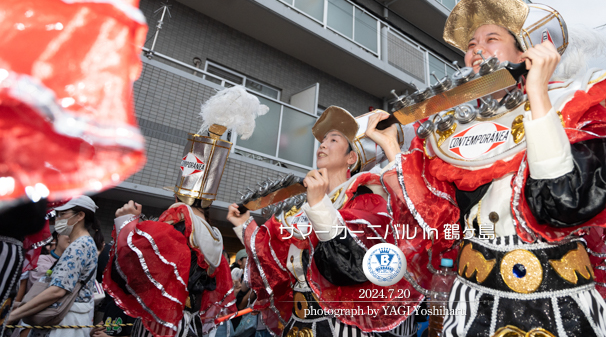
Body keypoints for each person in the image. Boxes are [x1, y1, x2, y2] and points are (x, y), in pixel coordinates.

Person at [366, 0, 606, 337]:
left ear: (524, 50)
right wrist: (392, 146)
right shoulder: (449, 133)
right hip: (472, 307)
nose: (476, 49)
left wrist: (538, 93)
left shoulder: (572, 103)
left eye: (491, 38)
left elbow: (563, 204)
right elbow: (439, 222)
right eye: (470, 44)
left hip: (559, 305)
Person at [227, 106, 422, 337]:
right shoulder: (302, 210)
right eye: (322, 140)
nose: (322, 144)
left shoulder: (368, 200)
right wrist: (243, 224)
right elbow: (271, 257)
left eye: (333, 139)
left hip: (342, 329)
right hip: (297, 327)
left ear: (351, 157)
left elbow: (352, 265)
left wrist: (320, 205)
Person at [103, 86, 270, 337]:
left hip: (164, 325)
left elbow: (137, 264)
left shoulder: (180, 215)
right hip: (192, 326)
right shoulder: (214, 233)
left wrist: (125, 221)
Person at [8, 196, 103, 337]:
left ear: (80, 216)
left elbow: (57, 291)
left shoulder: (79, 246)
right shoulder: (87, 243)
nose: (58, 218)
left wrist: (13, 315)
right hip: (70, 319)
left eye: (63, 214)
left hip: (63, 323)